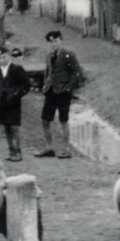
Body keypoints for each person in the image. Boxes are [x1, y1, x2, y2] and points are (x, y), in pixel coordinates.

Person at [38, 29, 84, 158]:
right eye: (51, 42)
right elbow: (48, 71)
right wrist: (45, 85)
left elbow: (77, 72)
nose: (54, 44)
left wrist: (69, 88)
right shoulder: (49, 55)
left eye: (56, 41)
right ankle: (49, 148)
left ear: (61, 41)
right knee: (45, 120)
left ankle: (66, 150)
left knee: (63, 120)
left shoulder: (68, 55)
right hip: (50, 91)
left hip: (63, 92)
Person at [0, 45, 31, 162]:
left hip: (13, 104)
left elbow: (26, 85)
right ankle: (11, 150)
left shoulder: (17, 69)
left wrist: (16, 95)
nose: (2, 60)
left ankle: (18, 152)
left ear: (8, 57)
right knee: (6, 127)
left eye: (4, 57)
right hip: (2, 104)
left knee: (14, 126)